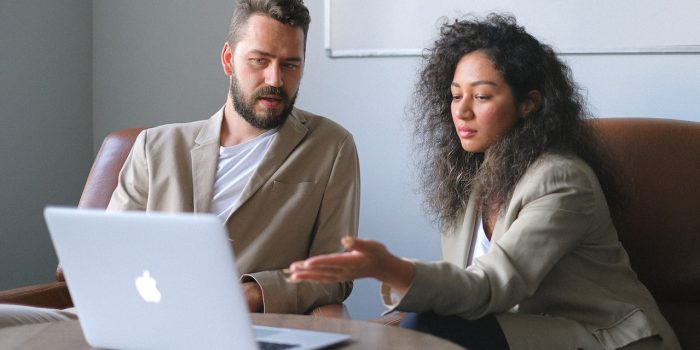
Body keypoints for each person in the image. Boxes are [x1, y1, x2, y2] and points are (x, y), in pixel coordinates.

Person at [288, 14, 680, 350]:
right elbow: (457, 294)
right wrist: (353, 333)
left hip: (604, 339)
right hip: (526, 333)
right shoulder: (470, 179)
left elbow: (490, 286)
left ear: (529, 103)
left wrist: (389, 267)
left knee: (434, 330)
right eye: (456, 95)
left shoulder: (562, 180)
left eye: (482, 96)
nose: (462, 111)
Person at [0, 0, 359, 328]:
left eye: (290, 64)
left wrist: (252, 293)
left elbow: (336, 271)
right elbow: (109, 253)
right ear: (228, 59)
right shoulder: (156, 146)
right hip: (124, 314)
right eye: (260, 60)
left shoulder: (330, 146)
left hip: (234, 326)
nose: (275, 80)